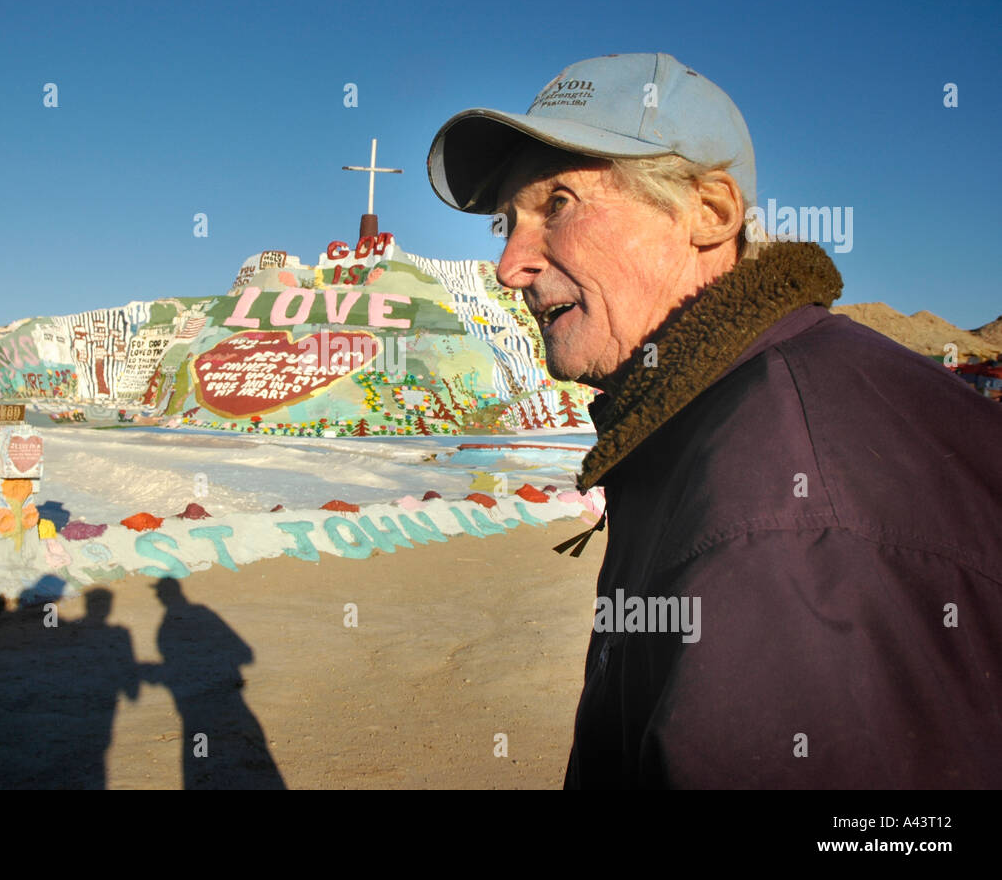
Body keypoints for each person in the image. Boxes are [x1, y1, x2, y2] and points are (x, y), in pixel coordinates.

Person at [427, 52, 1002, 788]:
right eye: (507, 223)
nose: (510, 266)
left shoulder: (782, 501)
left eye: (559, 204)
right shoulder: (730, 408)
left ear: (709, 214)